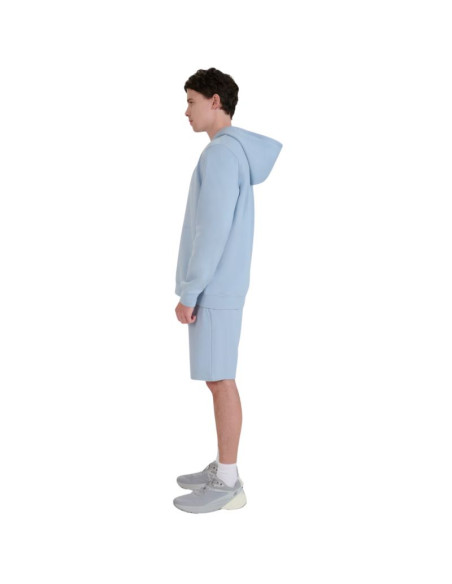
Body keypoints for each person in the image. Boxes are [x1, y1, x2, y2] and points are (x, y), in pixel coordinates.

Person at [173, 68, 283, 513]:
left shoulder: (220, 155)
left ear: (215, 101)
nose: (186, 111)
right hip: (222, 287)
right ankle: (224, 466)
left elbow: (212, 231)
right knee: (218, 379)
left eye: (191, 101)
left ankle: (229, 482)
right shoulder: (232, 153)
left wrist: (190, 292)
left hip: (213, 289)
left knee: (220, 381)